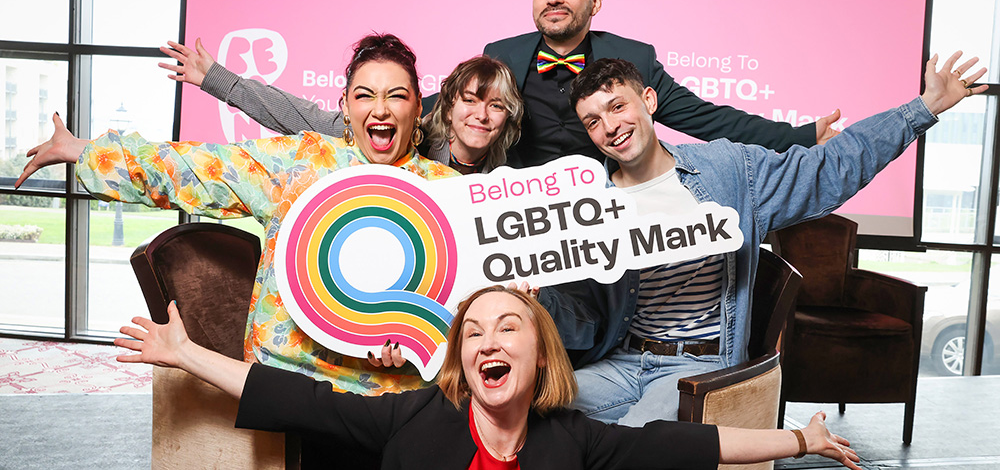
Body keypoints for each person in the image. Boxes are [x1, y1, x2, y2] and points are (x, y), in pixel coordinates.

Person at [535, 52, 987, 426]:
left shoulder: (730, 170)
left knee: (632, 447)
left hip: (696, 369)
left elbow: (830, 168)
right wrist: (538, 296)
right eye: (593, 121)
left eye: (617, 106)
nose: (610, 126)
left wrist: (921, 109)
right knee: (519, 410)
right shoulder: (592, 205)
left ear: (649, 101)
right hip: (623, 361)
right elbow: (585, 318)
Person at [16, 33, 458, 396]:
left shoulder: (445, 191)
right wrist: (84, 151)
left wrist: (428, 339)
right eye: (365, 95)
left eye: (396, 96)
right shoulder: (301, 162)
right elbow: (191, 168)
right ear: (345, 106)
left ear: (419, 107)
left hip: (402, 391)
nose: (380, 109)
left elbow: (471, 300)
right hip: (295, 376)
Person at [162, 0, 839, 169]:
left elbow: (711, 118)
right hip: (509, 218)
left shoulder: (633, 61)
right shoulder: (500, 58)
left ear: (594, 2)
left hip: (602, 220)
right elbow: (362, 119)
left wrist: (800, 136)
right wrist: (216, 78)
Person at [114, 286, 863, 469]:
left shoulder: (576, 438)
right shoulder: (410, 419)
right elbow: (296, 397)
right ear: (462, 362)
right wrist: (185, 354)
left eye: (509, 326)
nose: (488, 339)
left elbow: (683, 446)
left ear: (540, 358)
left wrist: (801, 437)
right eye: (472, 332)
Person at [160, 42, 522, 173]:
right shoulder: (411, 134)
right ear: (446, 107)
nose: (481, 115)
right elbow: (294, 114)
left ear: (508, 116)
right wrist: (217, 79)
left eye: (496, 105)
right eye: (470, 101)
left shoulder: (506, 176)